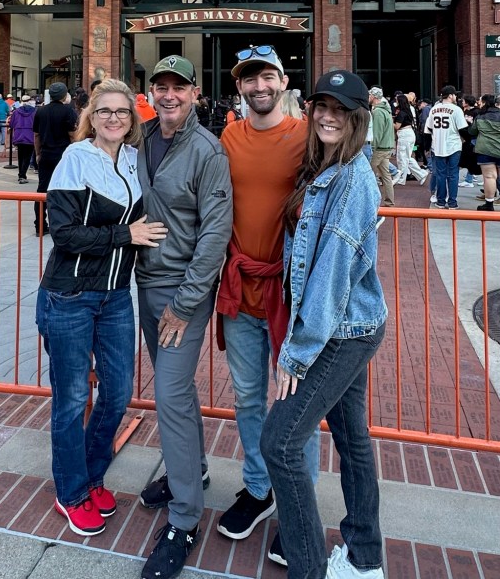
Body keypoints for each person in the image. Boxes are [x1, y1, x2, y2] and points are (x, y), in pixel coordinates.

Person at [260, 69, 387, 579]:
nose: (329, 117)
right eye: (322, 107)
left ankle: (308, 568)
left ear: (358, 118)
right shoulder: (325, 166)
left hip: (338, 331)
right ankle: (364, 558)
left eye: (341, 109)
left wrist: (296, 354)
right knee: (352, 439)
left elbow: (330, 276)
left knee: (280, 443)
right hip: (351, 324)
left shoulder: (352, 180)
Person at [35, 79, 167, 537]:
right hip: (69, 295)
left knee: (117, 393)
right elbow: (64, 233)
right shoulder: (77, 158)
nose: (114, 118)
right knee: (72, 400)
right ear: (91, 116)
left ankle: (92, 477)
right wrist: (125, 235)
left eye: (122, 112)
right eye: (105, 111)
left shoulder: (133, 158)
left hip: (115, 296)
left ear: (133, 119)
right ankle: (70, 492)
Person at [216, 46, 318, 569]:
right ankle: (258, 488)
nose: (259, 86)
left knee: (295, 406)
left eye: (268, 77)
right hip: (240, 290)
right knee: (249, 397)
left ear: (283, 82)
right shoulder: (228, 137)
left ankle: (298, 506)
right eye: (250, 79)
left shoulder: (308, 137)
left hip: (290, 295)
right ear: (240, 87)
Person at [136, 55, 232, 579]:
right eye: (161, 86)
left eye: (179, 87)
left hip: (181, 293)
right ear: (151, 91)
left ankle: (185, 517)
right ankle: (190, 471)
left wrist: (186, 301)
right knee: (179, 392)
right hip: (144, 282)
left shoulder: (207, 150)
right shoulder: (141, 137)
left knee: (170, 395)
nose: (169, 94)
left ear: (195, 93)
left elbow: (215, 233)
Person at [33, 82, 78, 235]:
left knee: (42, 190)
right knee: (67, 189)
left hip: (46, 154)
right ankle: (65, 223)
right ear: (65, 95)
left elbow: (36, 135)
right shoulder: (68, 111)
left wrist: (38, 153)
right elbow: (72, 135)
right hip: (64, 155)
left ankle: (39, 224)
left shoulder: (41, 111)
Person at [424, 85, 468, 210]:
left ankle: (441, 201)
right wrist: (469, 140)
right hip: (453, 145)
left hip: (437, 146)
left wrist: (427, 147)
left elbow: (428, 130)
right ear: (450, 96)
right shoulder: (456, 109)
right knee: (453, 175)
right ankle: (452, 202)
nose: (456, 97)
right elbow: (463, 129)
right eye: (454, 94)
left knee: (440, 175)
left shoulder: (434, 109)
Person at [467, 93, 500, 211]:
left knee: (489, 177)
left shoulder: (480, 117)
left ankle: (489, 204)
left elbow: (472, 131)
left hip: (485, 150)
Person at [368, 87, 396, 207]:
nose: (368, 97)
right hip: (386, 147)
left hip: (379, 148)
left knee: (368, 174)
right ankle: (389, 201)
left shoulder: (378, 112)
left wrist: (372, 147)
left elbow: (377, 133)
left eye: (369, 95)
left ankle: (370, 202)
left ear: (374, 97)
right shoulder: (386, 110)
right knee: (386, 176)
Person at [393, 93, 428, 186]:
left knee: (402, 157)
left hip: (404, 135)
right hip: (409, 134)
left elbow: (397, 126)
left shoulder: (401, 113)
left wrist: (390, 121)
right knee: (407, 157)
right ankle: (420, 174)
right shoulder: (408, 111)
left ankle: (403, 178)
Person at [9, 95, 37, 183]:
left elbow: (11, 124)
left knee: (20, 156)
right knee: (27, 157)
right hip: (30, 135)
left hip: (19, 135)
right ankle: (22, 175)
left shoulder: (16, 112)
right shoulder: (34, 111)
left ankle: (21, 174)